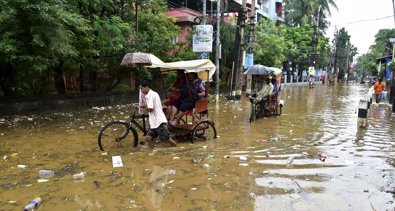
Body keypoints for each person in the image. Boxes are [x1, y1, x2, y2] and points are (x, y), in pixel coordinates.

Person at [139, 80, 177, 149]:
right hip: (154, 123)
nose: (141, 90)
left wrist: (144, 106)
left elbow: (150, 109)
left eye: (141, 88)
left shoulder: (151, 95)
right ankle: (153, 152)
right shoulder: (150, 95)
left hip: (159, 122)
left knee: (167, 139)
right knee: (148, 139)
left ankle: (177, 149)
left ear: (147, 87)